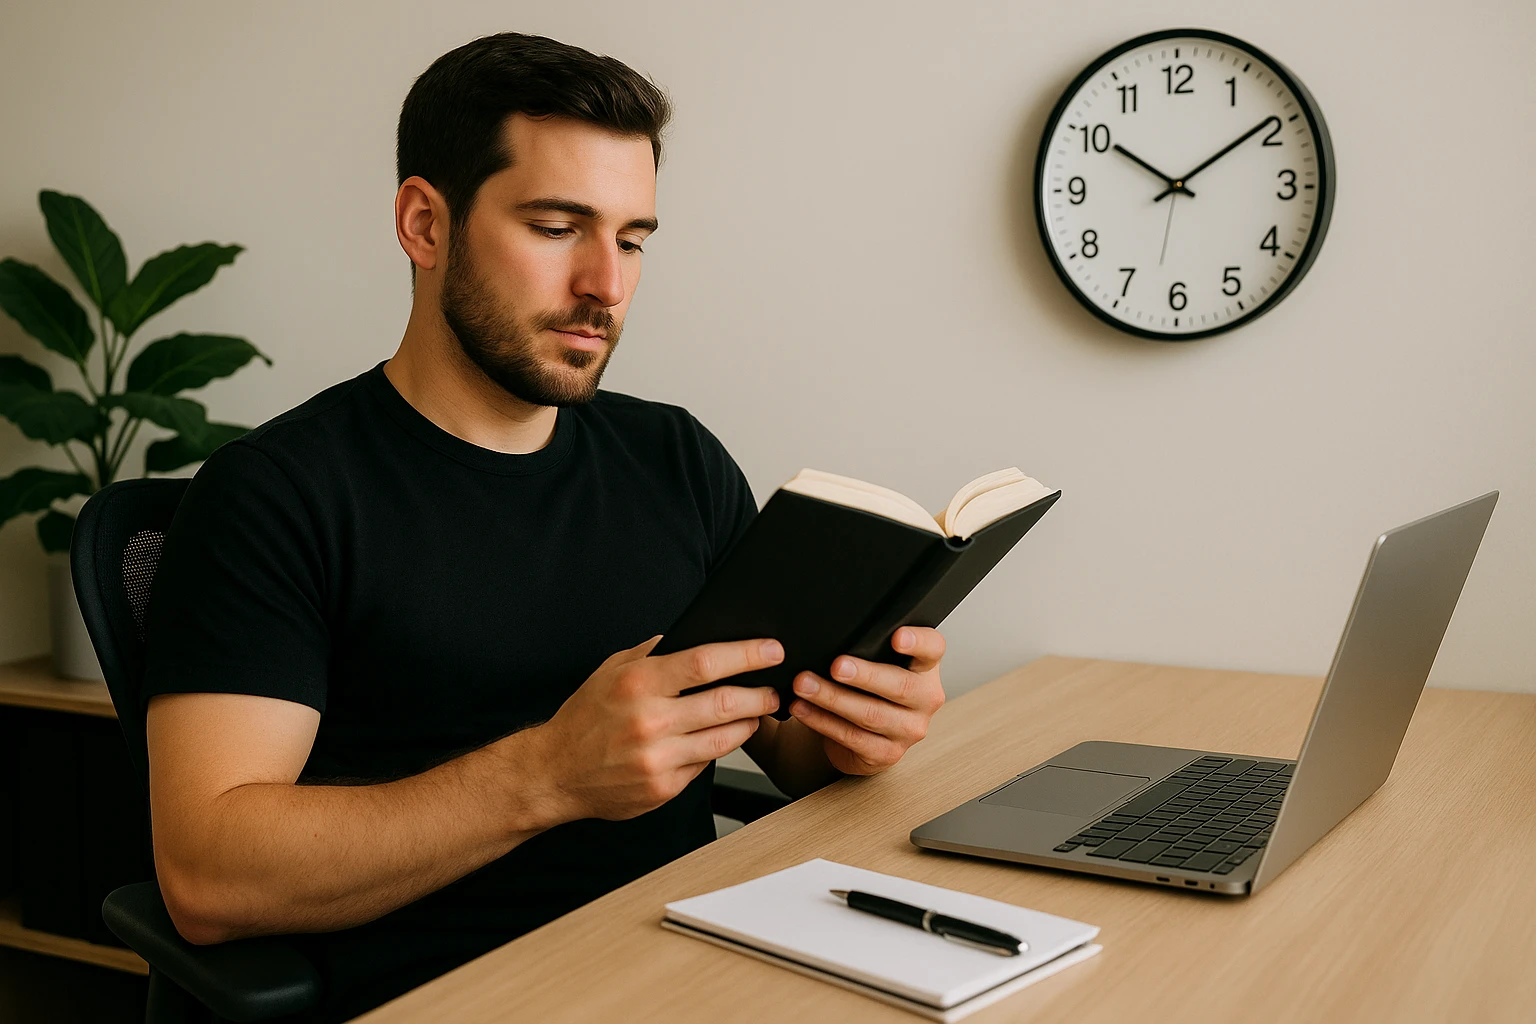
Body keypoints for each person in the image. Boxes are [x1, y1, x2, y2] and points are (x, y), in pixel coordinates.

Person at [142, 31, 947, 1021]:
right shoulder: (276, 494)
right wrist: (551, 773)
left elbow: (784, 745)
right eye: (559, 226)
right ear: (425, 223)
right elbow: (208, 876)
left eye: (634, 237)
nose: (606, 285)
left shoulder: (675, 457)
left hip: (695, 972)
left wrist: (859, 725)